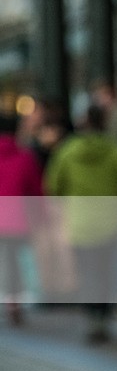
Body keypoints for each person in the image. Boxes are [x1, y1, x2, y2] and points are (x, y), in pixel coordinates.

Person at [45, 104, 117, 343]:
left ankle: (92, 317)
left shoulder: (67, 151)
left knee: (86, 272)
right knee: (106, 271)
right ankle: (103, 317)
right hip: (110, 223)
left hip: (79, 223)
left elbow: (53, 185)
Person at [0, 113, 43, 325]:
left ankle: (11, 299)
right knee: (15, 260)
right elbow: (35, 190)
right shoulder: (24, 157)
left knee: (8, 260)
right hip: (17, 220)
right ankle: (15, 300)